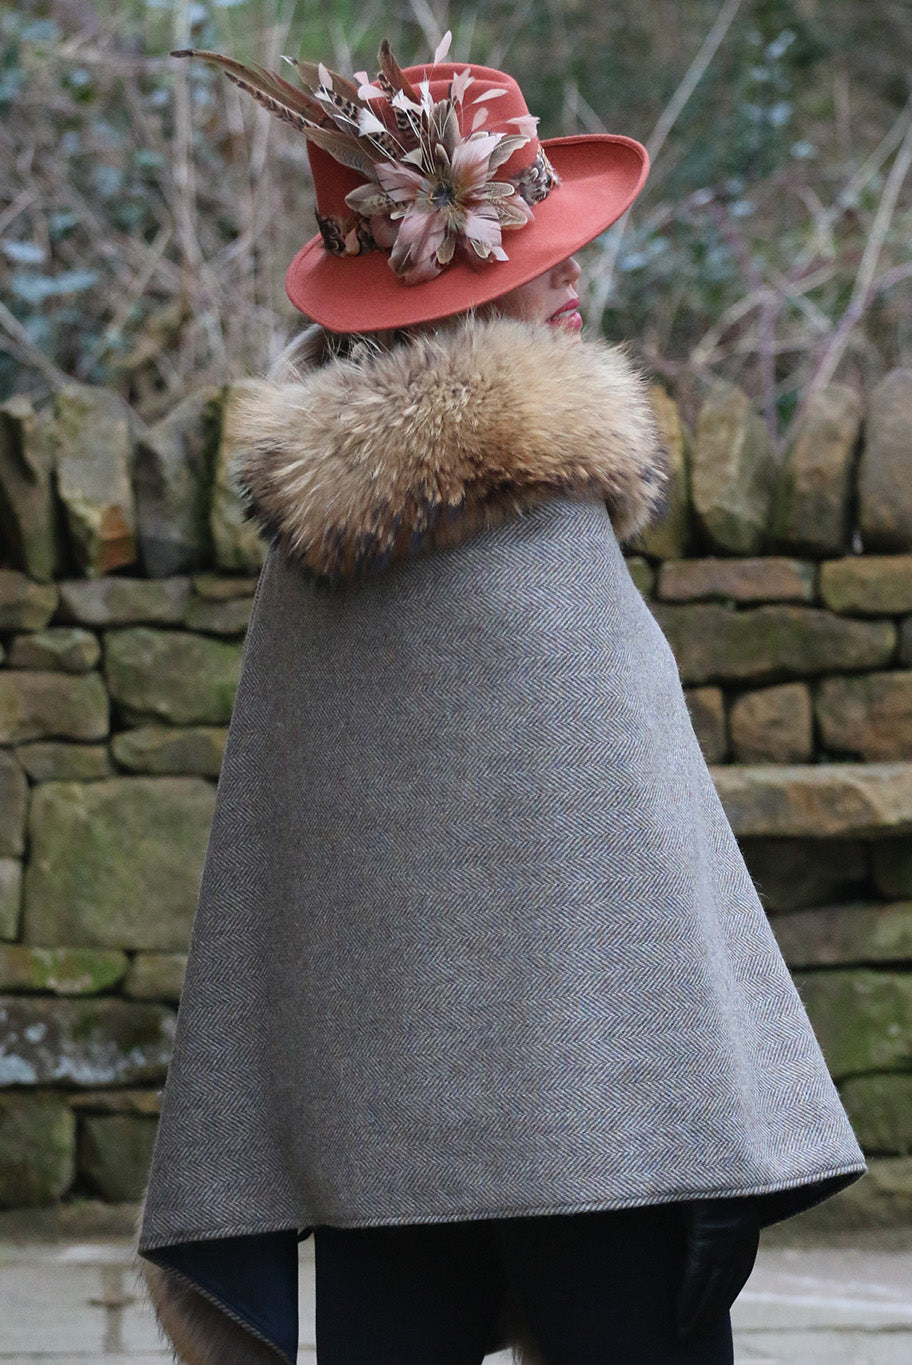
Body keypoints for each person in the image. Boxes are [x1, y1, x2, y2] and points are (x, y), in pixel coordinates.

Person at [138, 37, 865, 1365]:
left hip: (384, 1137)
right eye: (539, 258)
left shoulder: (324, 549)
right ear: (443, 288)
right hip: (596, 1149)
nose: (576, 276)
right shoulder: (516, 522)